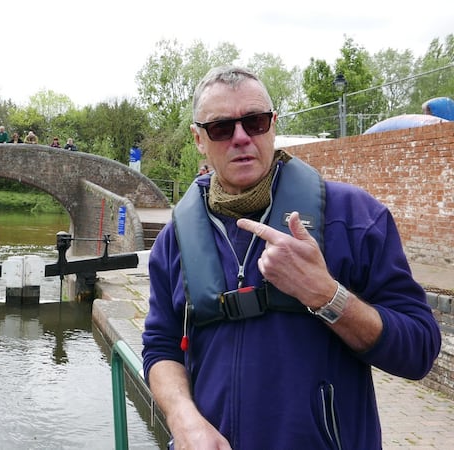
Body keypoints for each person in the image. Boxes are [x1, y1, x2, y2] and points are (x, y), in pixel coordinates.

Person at [141, 65, 441, 449]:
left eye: (255, 121)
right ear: (199, 139)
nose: (241, 138)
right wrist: (183, 419)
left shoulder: (354, 219)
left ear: (273, 124)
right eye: (220, 128)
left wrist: (326, 295)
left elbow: (418, 350)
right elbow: (161, 345)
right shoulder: (175, 240)